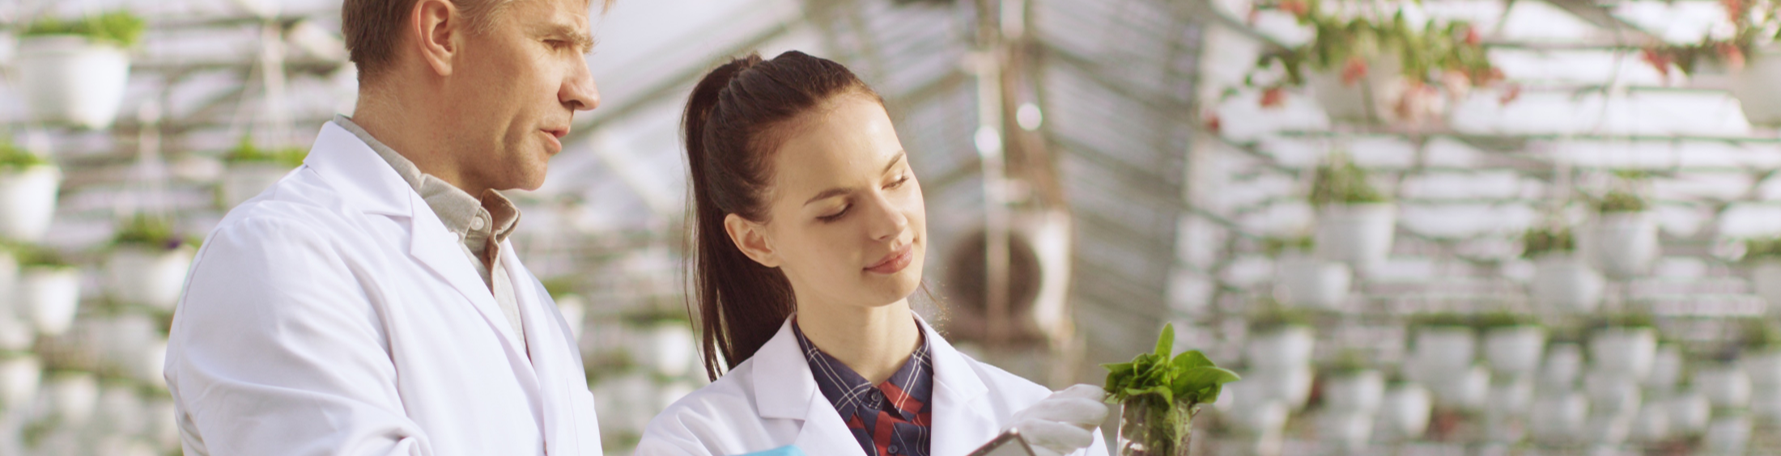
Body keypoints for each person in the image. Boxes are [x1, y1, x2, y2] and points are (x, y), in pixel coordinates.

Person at [163, 0, 605, 454]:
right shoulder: (270, 257)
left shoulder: (530, 301)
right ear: (440, 34)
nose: (586, 91)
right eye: (556, 43)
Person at [636, 51, 1110, 456]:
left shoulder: (1045, 426)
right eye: (838, 210)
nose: (891, 222)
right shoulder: (698, 440)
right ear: (756, 240)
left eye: (897, 178)